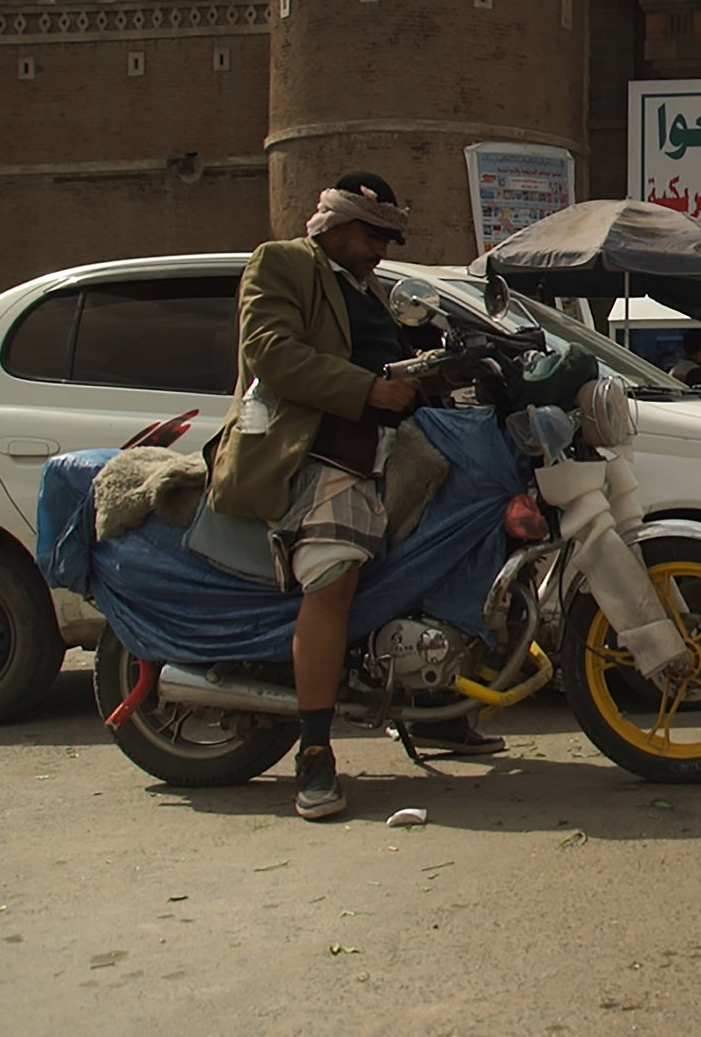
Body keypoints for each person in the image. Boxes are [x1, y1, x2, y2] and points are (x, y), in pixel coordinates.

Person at [207, 171, 500, 822]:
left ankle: (434, 706)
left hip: (392, 450)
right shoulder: (282, 264)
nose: (381, 250)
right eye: (373, 235)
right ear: (333, 223)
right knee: (333, 578)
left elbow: (401, 367)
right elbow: (271, 353)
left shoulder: (374, 290)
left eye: (388, 239)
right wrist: (368, 390)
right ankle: (313, 755)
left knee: (466, 534)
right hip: (314, 450)